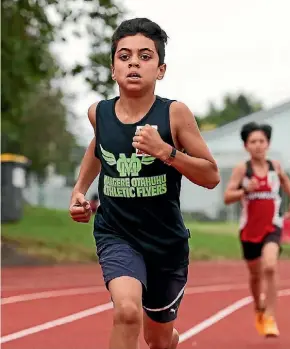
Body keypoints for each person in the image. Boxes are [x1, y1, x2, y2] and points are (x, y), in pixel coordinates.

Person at [69, 18, 220, 349]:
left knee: (158, 339)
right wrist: (79, 190)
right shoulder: (99, 113)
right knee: (126, 313)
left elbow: (211, 175)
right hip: (117, 233)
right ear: (112, 69)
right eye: (124, 56)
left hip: (165, 243)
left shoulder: (174, 114)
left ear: (161, 69)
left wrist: (165, 152)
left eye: (145, 56)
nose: (134, 62)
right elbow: (99, 146)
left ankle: (167, 339)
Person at [223, 122, 290, 338]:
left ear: (268, 144)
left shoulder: (275, 167)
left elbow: (285, 183)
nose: (258, 146)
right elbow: (227, 197)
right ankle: (259, 306)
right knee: (255, 275)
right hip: (249, 230)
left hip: (272, 227)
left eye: (262, 141)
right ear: (246, 146)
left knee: (270, 266)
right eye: (253, 142)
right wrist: (244, 190)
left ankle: (270, 316)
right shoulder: (242, 169)